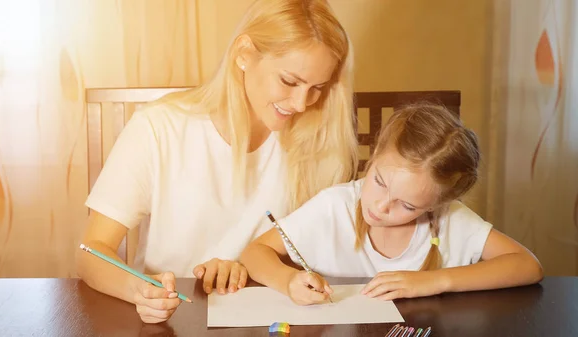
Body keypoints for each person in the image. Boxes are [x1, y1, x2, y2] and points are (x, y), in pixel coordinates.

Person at [75, 0, 358, 324]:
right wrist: (140, 290)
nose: (300, 104)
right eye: (289, 82)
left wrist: (250, 271)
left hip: (276, 322)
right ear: (244, 54)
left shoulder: (318, 140)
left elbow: (323, 258)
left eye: (316, 89)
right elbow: (90, 252)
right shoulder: (158, 128)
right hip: (172, 322)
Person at [240, 103, 544, 306]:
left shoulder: (449, 220)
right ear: (373, 156)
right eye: (379, 182)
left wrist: (435, 281)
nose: (380, 207)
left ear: (435, 205)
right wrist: (289, 280)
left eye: (407, 206)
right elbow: (255, 253)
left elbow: (527, 266)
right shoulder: (335, 206)